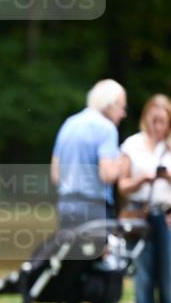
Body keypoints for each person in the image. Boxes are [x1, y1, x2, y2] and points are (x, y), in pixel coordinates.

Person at [118, 94, 171, 303]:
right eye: (154, 121)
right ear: (146, 118)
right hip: (139, 218)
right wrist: (142, 179)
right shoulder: (132, 145)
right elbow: (121, 185)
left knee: (170, 280)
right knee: (142, 279)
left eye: (163, 122)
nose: (158, 127)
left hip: (168, 218)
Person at [51, 79, 127, 229]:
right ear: (110, 104)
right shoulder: (107, 128)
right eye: (122, 107)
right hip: (95, 210)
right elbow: (107, 175)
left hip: (66, 207)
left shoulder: (69, 124)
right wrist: (122, 160)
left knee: (72, 252)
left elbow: (55, 175)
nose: (123, 114)